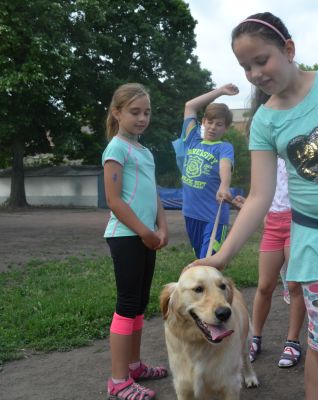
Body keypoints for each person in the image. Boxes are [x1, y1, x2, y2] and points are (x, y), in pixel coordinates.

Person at [190, 12, 318, 400]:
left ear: (288, 49)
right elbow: (259, 195)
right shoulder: (265, 122)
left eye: (261, 60)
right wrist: (222, 255)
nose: (255, 73)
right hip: (314, 245)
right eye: (246, 67)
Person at [102, 83, 169, 399]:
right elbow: (114, 200)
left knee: (139, 303)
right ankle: (118, 381)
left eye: (147, 112)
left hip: (145, 235)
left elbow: (153, 193)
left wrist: (162, 227)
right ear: (117, 113)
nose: (142, 118)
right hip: (126, 236)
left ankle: (134, 365)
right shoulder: (116, 148)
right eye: (135, 112)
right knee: (127, 304)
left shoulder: (145, 151)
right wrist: (144, 231)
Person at [249, 156, 306, 368]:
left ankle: (292, 342)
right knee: (264, 285)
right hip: (273, 221)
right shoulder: (264, 156)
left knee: (294, 285)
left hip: (297, 220)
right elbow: (257, 190)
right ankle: (254, 338)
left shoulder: (298, 151)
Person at [181, 84, 240, 259]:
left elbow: (225, 165)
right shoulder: (191, 140)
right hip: (191, 215)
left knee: (208, 262)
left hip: (214, 218)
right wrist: (220, 91)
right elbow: (189, 106)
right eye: (210, 122)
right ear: (203, 122)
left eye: (219, 124)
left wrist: (224, 185)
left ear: (226, 128)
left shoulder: (224, 147)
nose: (213, 127)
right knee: (200, 260)